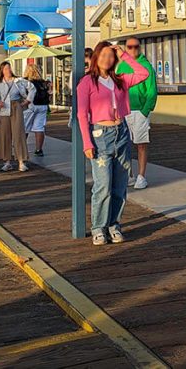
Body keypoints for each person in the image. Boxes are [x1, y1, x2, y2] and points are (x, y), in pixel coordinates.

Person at [76, 41, 150, 246]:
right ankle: (98, 228)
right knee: (103, 186)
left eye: (111, 55)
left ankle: (113, 225)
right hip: (101, 134)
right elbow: (82, 114)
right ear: (95, 57)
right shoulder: (87, 82)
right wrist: (87, 143)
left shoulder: (119, 81)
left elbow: (143, 74)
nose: (107, 59)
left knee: (119, 186)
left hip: (122, 132)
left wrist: (124, 55)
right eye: (103, 55)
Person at [115, 37, 157, 189]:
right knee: (124, 145)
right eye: (129, 47)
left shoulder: (146, 66)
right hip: (124, 111)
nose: (133, 49)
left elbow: (152, 90)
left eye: (136, 46)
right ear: (125, 48)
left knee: (141, 144)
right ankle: (129, 174)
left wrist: (146, 110)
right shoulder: (121, 67)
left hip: (140, 110)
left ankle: (141, 176)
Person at [0, 61, 31, 172]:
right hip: (4, 108)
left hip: (15, 105)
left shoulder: (18, 81)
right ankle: (7, 161)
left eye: (9, 68)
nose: (8, 71)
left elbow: (32, 88)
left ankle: (21, 161)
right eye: (5, 69)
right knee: (4, 134)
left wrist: (28, 100)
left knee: (18, 133)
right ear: (1, 71)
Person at [23, 63, 50, 157]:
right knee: (39, 128)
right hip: (43, 106)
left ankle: (22, 148)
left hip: (31, 105)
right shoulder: (42, 82)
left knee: (25, 127)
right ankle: (39, 149)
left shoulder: (26, 82)